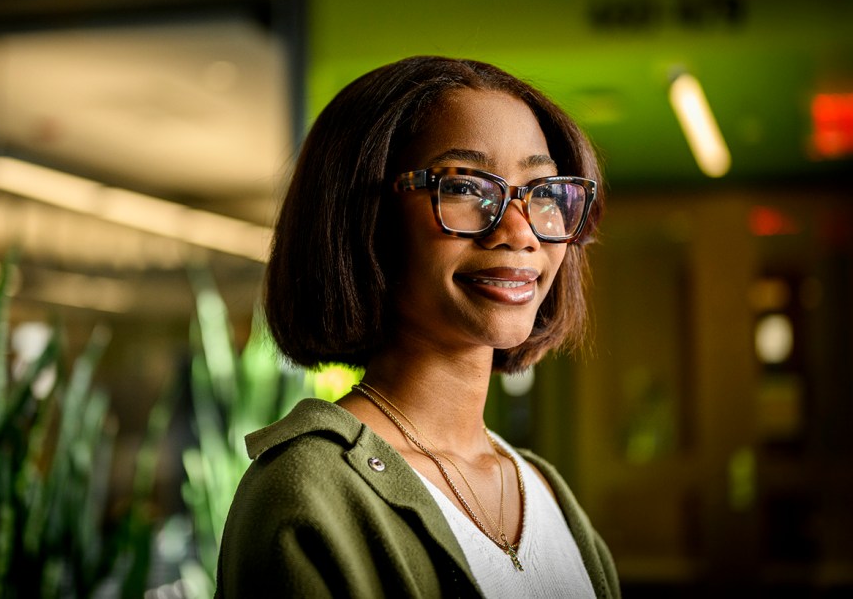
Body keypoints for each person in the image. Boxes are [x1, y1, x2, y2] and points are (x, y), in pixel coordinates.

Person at [214, 56, 619, 598]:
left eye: (542, 192)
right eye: (466, 188)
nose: (521, 232)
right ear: (366, 218)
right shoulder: (307, 492)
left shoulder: (543, 489)